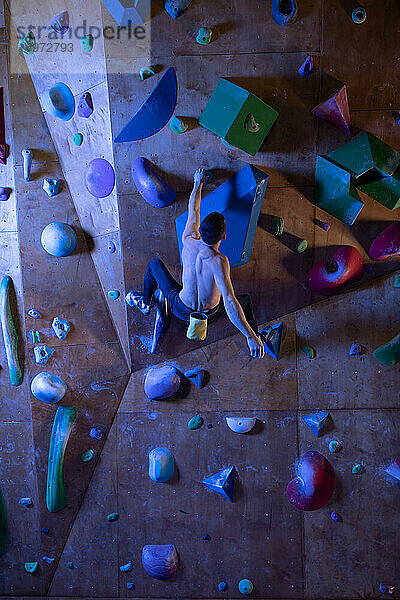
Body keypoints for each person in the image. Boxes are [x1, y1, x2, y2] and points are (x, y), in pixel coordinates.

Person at [126, 168, 265, 358]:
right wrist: (249, 335)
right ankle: (257, 342)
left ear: (200, 230)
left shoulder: (189, 239)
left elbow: (195, 209)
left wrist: (197, 183)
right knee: (245, 302)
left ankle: (144, 302)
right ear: (224, 236)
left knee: (154, 265)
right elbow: (230, 302)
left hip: (180, 308)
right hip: (210, 315)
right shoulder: (220, 261)